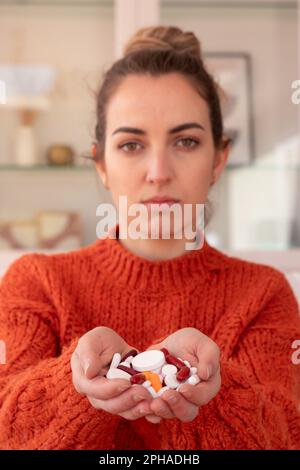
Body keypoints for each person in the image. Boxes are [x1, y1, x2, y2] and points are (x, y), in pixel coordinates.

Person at [0, 25, 299, 451]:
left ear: (218, 159)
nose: (158, 170)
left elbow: (285, 437)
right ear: (100, 163)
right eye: (131, 145)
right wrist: (77, 383)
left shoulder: (265, 294)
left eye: (186, 140)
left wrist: (212, 389)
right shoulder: (35, 283)